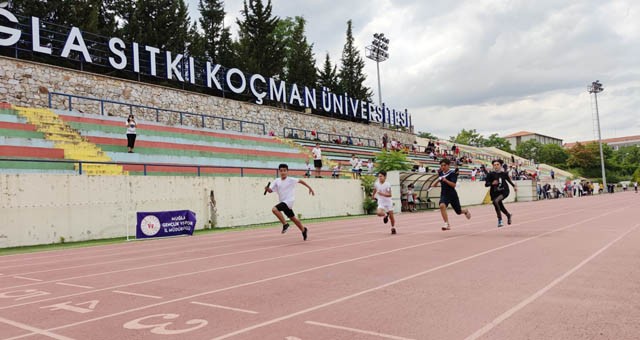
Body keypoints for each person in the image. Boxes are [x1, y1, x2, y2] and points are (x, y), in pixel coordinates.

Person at [265, 164, 314, 241]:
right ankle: (303, 230)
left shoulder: (291, 179)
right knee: (293, 218)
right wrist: (267, 189)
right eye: (281, 171)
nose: (283, 172)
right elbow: (270, 190)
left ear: (287, 171)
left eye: (284, 171)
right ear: (279, 171)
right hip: (283, 202)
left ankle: (285, 224)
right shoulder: (276, 181)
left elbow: (301, 181)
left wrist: (309, 188)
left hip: (289, 201)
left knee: (274, 209)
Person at [430, 158, 471, 231]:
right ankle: (446, 223)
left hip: (452, 195)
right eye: (441, 165)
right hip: (444, 194)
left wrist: (445, 180)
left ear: (448, 165)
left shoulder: (452, 173)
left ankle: (465, 211)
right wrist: (437, 182)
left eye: (444, 165)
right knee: (442, 206)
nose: (443, 167)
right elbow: (437, 182)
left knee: (458, 212)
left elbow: (453, 185)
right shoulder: (440, 173)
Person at [485, 159, 517, 227]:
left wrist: (514, 186)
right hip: (494, 192)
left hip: (504, 191)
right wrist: (492, 183)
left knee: (495, 201)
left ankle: (500, 220)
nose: (496, 166)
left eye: (497, 165)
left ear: (500, 165)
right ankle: (508, 215)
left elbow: (509, 180)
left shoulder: (504, 174)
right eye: (494, 165)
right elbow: (486, 184)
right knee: (500, 205)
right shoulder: (490, 174)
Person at [372, 170, 397, 234]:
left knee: (391, 216)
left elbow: (390, 195)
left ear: (385, 177)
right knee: (378, 213)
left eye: (381, 176)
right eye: (379, 176)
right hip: (381, 202)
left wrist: (382, 194)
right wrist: (373, 196)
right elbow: (375, 189)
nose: (380, 178)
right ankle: (385, 215)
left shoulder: (387, 184)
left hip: (388, 202)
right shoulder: (376, 184)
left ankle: (393, 227)